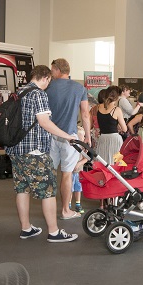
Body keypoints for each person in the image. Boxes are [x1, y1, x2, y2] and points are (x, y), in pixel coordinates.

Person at [6, 65, 78, 242]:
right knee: (48, 191)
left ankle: (26, 228)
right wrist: (67, 136)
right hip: (35, 152)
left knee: (22, 189)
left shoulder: (19, 91)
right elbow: (44, 122)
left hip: (16, 149)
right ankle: (53, 232)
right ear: (45, 78)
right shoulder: (38, 94)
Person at [46, 59, 90, 220]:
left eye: (52, 70)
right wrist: (88, 137)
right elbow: (85, 114)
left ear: (57, 70)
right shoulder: (79, 88)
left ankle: (48, 210)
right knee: (67, 175)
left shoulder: (48, 86)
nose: (51, 73)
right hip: (70, 138)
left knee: (49, 173)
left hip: (50, 136)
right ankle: (65, 210)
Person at [95, 86, 128, 164]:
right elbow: (125, 129)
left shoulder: (98, 107)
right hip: (114, 139)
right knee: (117, 163)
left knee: (103, 162)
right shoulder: (116, 109)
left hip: (102, 138)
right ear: (116, 97)